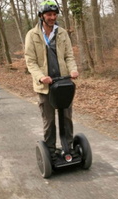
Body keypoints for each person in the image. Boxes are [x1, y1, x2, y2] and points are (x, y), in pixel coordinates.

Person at [25, 0, 79, 160]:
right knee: (49, 121)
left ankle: (68, 147)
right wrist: (41, 77)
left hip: (63, 83)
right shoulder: (32, 35)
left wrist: (73, 69)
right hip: (45, 86)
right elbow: (30, 61)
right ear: (41, 16)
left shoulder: (62, 33)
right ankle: (50, 151)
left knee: (67, 118)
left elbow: (69, 55)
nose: (52, 17)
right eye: (49, 14)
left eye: (55, 14)